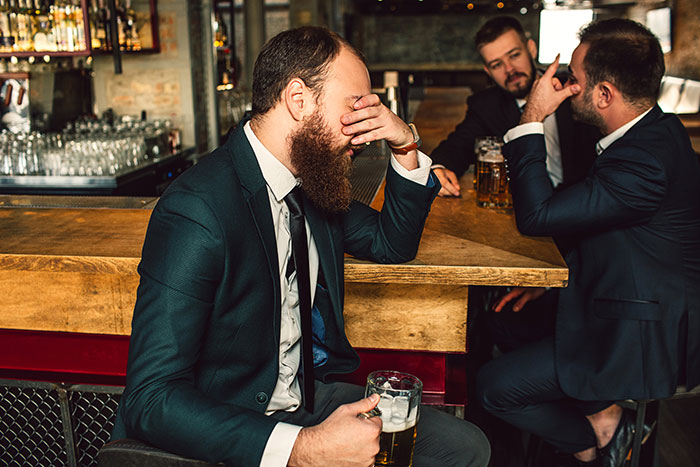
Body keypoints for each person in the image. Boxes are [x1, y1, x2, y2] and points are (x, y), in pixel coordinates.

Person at [111, 26, 490, 467]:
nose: (366, 132)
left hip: (302, 400)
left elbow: (392, 243)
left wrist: (404, 141)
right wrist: (302, 450)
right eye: (354, 110)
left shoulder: (310, 180)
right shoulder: (199, 208)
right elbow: (150, 398)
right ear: (298, 100)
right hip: (231, 423)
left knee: (466, 448)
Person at [477, 18, 700, 467]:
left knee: (492, 387)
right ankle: (596, 412)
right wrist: (553, 281)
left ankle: (595, 441)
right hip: (618, 291)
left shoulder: (643, 161)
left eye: (574, 79)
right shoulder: (652, 130)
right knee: (502, 320)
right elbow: (616, 234)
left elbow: (536, 216)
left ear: (604, 95)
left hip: (640, 334)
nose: (566, 86)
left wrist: (533, 115)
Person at [430, 15, 599, 199]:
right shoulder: (486, 105)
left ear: (531, 49)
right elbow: (457, 146)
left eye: (514, 55)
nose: (509, 69)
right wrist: (440, 168)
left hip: (586, 206)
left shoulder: (573, 89)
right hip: (525, 209)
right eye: (497, 65)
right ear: (488, 71)